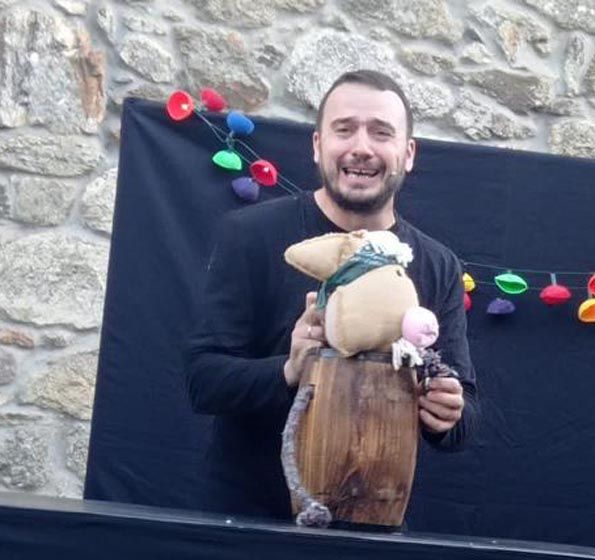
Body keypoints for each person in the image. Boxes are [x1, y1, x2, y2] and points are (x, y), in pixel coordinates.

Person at [186, 69, 476, 519]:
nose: (361, 146)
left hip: (375, 524)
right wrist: (289, 370)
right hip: (248, 524)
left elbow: (464, 417)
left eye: (381, 132)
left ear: (408, 154)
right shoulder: (250, 236)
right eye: (345, 129)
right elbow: (203, 382)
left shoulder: (437, 266)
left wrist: (448, 411)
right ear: (318, 145)